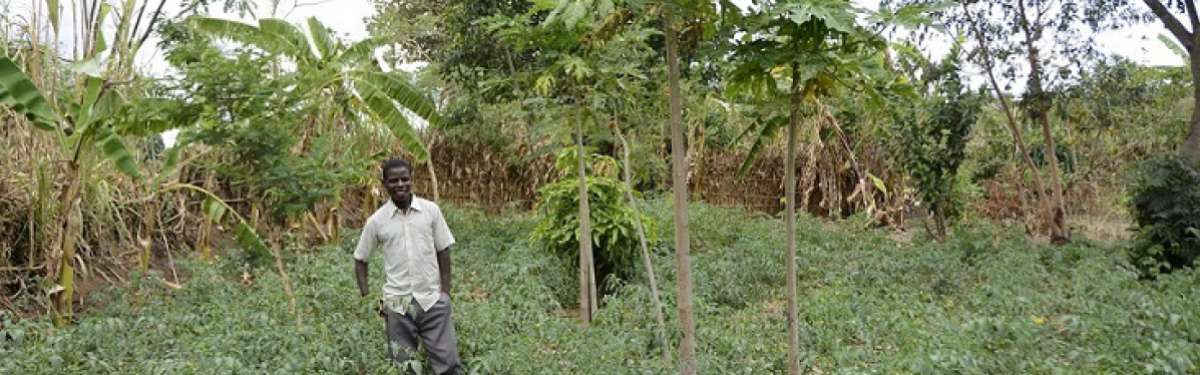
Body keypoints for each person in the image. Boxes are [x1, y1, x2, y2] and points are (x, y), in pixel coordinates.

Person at [354, 157, 461, 375]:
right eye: (393, 181)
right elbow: (360, 259)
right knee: (404, 368)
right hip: (397, 306)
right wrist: (368, 298)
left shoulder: (431, 212)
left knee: (448, 364)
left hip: (432, 301)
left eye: (405, 179)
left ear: (412, 180)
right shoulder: (377, 221)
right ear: (384, 184)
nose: (400, 184)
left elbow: (443, 250)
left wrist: (446, 293)